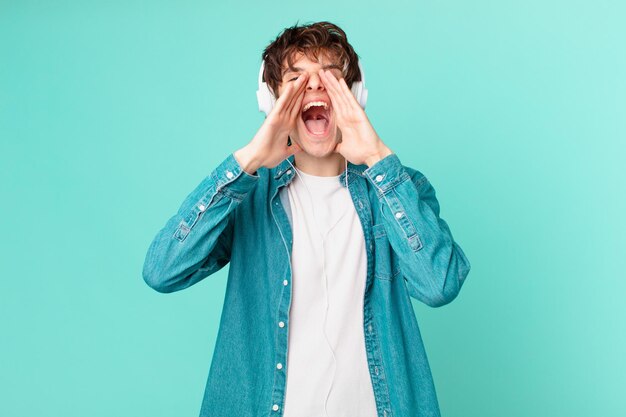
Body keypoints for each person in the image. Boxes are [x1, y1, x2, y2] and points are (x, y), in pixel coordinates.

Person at [142, 20, 471, 417]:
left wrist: (379, 159)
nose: (314, 87)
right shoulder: (249, 195)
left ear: (355, 96)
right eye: (296, 80)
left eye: (330, 78)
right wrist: (247, 161)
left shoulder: (399, 189)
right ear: (271, 102)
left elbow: (439, 284)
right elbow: (163, 270)